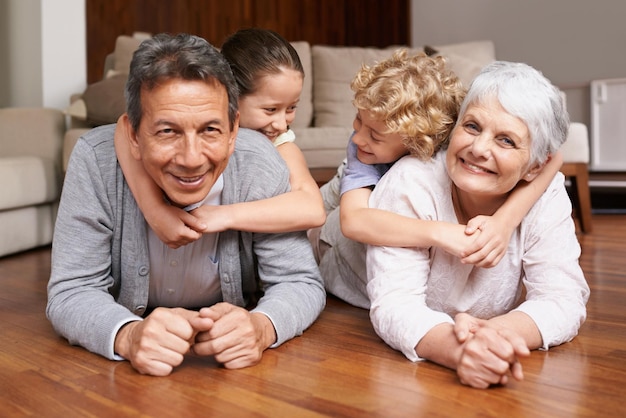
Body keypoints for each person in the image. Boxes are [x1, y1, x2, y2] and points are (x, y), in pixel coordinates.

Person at [46, 33, 325, 377]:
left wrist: (262, 326)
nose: (191, 160)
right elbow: (72, 290)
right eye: (167, 132)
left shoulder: (261, 161)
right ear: (133, 134)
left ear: (234, 130)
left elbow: (299, 282)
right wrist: (128, 334)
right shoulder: (94, 161)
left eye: (210, 129)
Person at [366, 61, 590, 389]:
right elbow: (395, 305)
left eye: (506, 141)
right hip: (341, 264)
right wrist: (459, 351)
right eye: (471, 126)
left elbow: (563, 297)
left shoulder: (546, 192)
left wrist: (495, 335)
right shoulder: (411, 181)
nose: (479, 149)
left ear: (534, 168)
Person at [311, 50, 563, 309]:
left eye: (375, 135)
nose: (357, 138)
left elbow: (554, 158)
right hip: (324, 233)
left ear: (417, 140)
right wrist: (442, 233)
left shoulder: (450, 133)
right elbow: (354, 222)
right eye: (357, 122)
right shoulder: (362, 152)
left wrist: (504, 222)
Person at [114, 28, 325, 249]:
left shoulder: (281, 145)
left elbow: (313, 208)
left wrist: (223, 216)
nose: (282, 124)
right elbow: (122, 128)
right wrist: (155, 211)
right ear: (231, 95)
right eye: (270, 109)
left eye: (291, 107)